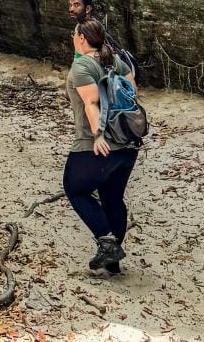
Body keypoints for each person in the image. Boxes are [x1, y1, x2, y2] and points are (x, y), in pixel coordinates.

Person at [63, 18, 139, 274]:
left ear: (82, 38)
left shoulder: (82, 66)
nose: (73, 37)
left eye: (74, 34)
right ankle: (113, 260)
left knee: (75, 189)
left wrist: (98, 136)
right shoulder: (115, 61)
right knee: (112, 199)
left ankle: (107, 242)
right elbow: (133, 93)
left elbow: (91, 103)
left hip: (96, 145)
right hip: (127, 144)